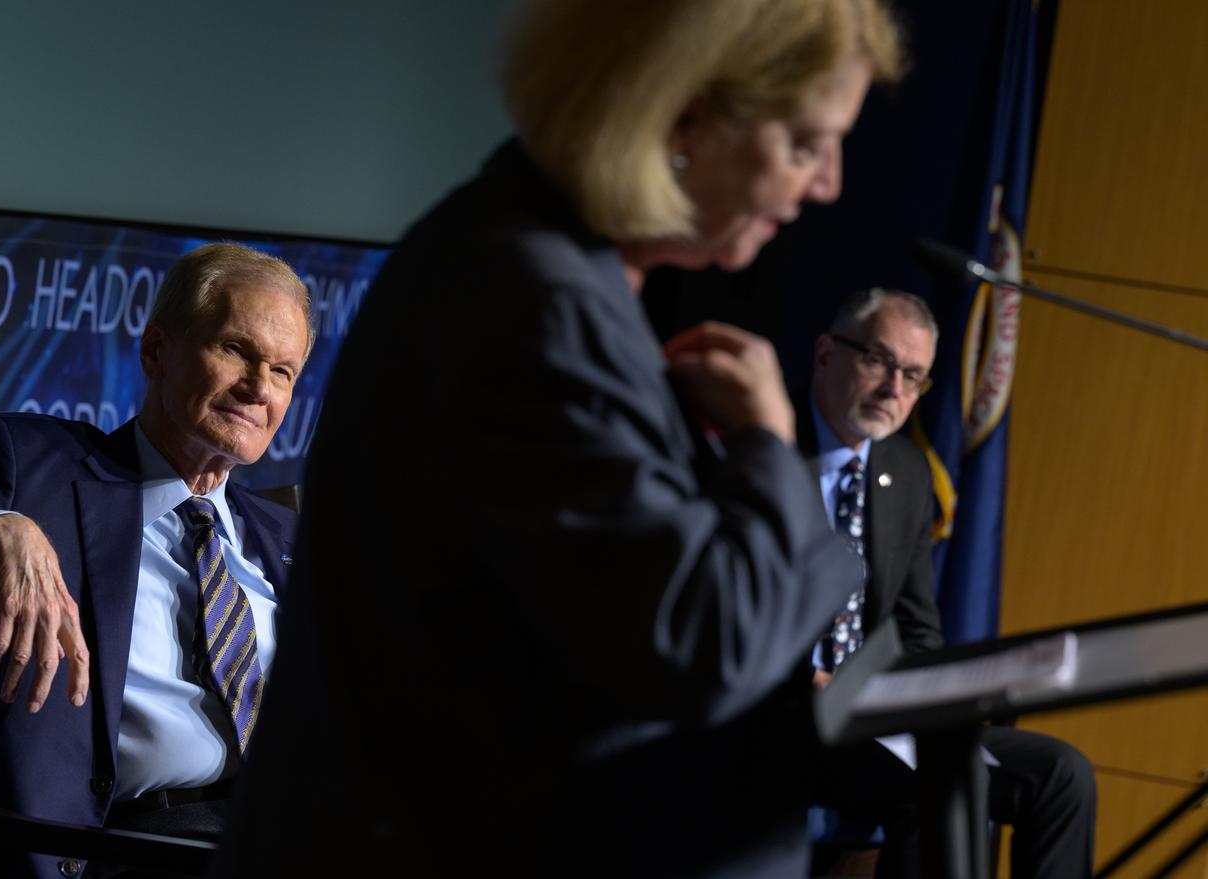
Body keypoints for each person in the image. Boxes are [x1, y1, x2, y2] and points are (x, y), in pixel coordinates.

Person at [220, 1, 908, 877]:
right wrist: (770, 448)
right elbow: (702, 641)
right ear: (682, 109)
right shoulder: (537, 305)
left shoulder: (544, 268)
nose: (829, 184)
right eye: (806, 144)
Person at [0, 242, 312, 879]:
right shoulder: (33, 468)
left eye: (283, 372)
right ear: (156, 350)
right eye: (236, 350)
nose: (257, 389)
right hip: (121, 849)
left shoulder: (289, 534)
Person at [800, 287, 1097, 877]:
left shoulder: (905, 471)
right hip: (786, 712)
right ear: (827, 354)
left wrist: (938, 699)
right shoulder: (764, 448)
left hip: (875, 716)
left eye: (914, 377)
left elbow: (915, 623)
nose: (895, 390)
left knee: (1061, 774)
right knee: (932, 785)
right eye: (880, 362)